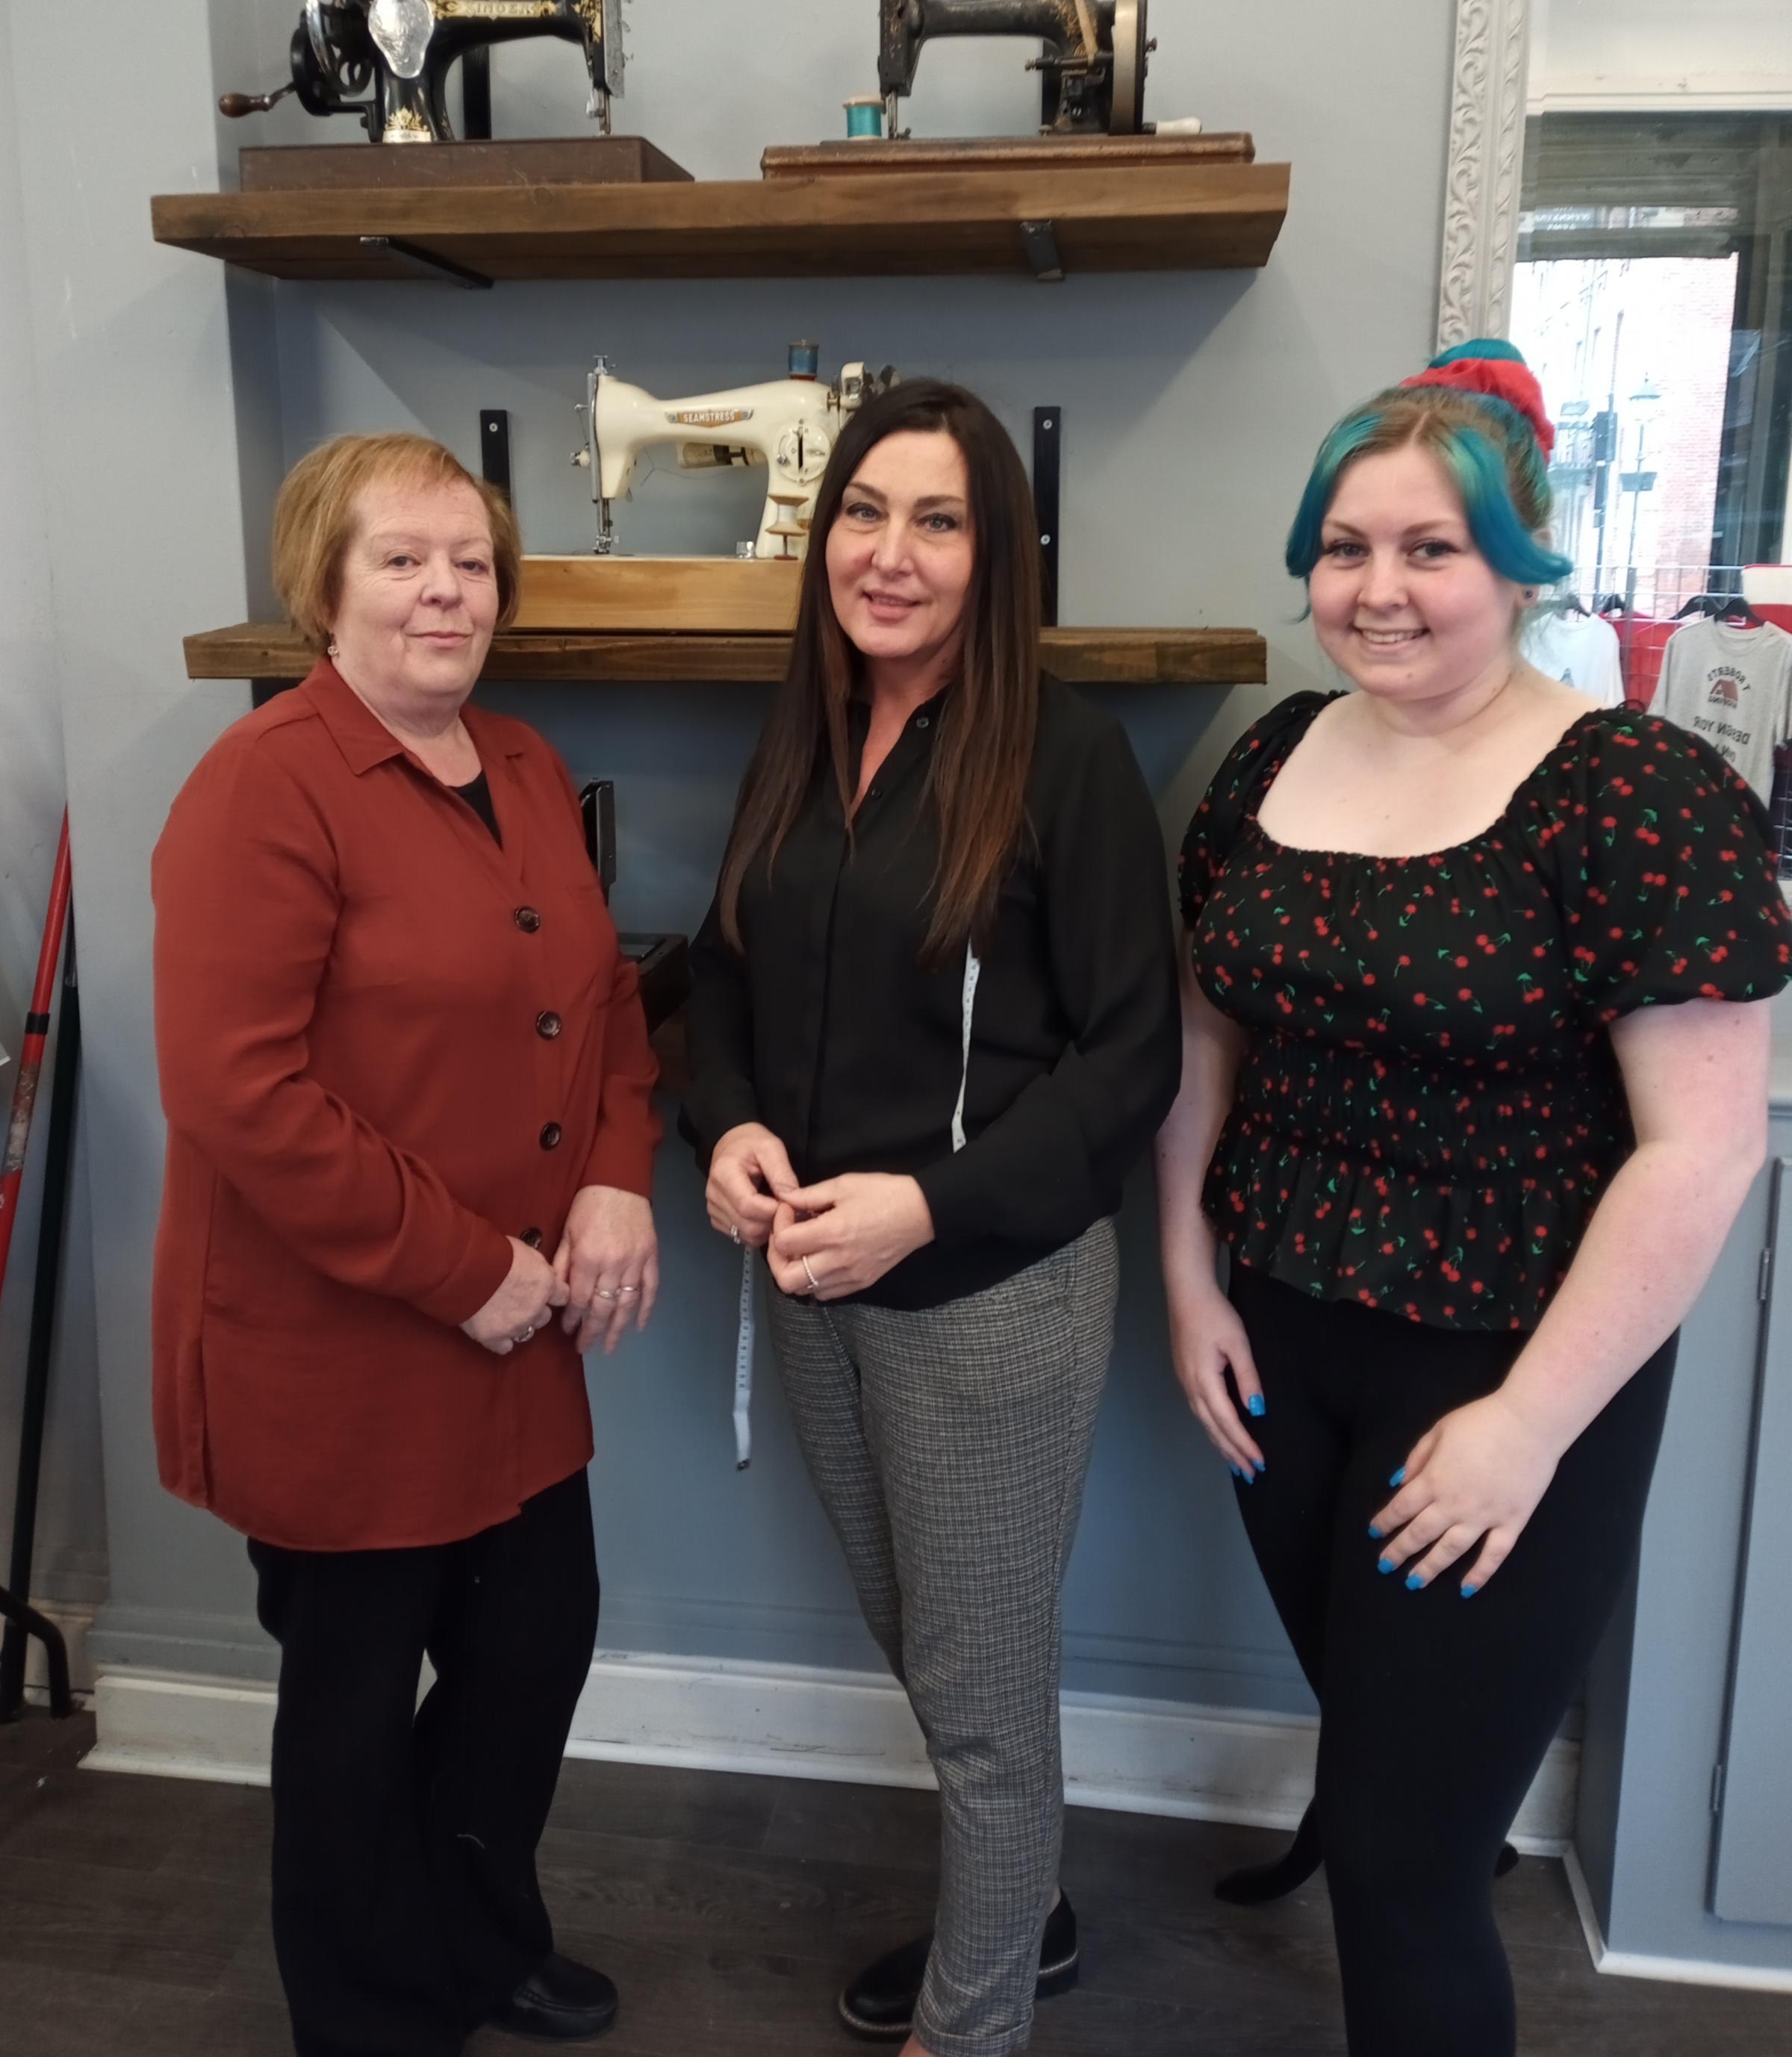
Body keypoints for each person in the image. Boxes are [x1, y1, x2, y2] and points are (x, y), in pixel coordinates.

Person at [1155, 340, 1792, 2057]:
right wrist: (1187, 1278)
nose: (1381, 588)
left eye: (1432, 547)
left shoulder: (1637, 794)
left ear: (1519, 563)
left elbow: (1706, 1148)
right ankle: (1385, 1792)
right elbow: (1206, 1025)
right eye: (1346, 545)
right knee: (1383, 1740)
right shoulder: (1274, 755)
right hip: (1281, 1337)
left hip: (1511, 1367)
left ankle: (1392, 1831)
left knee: (1405, 1865)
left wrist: (1526, 1426)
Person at [682, 380, 1180, 2057]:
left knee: (978, 1699)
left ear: (999, 552)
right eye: (863, 512)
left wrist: (932, 1205)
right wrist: (730, 1119)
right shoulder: (810, 729)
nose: (889, 555)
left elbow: (1134, 1060)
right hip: (813, 1278)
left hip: (990, 1296)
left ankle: (972, 2027)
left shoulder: (1066, 753)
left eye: (939, 518)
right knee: (930, 1642)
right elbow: (719, 968)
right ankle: (1017, 1915)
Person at [151, 433, 660, 2056]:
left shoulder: (516, 761)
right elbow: (240, 1090)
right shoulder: (266, 782)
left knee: (532, 1655)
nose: (449, 591)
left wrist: (619, 1177)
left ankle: (478, 1935)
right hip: (347, 1354)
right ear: (324, 584)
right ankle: (371, 2015)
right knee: (355, 1717)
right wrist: (468, 1269)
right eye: (404, 559)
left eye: (473, 563)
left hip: (523, 1345)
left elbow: (607, 1005)